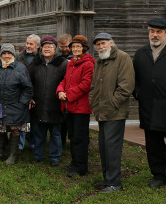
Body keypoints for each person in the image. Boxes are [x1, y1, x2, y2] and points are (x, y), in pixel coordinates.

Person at [133, 17, 166, 189]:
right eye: (151, 31)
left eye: (158, 32)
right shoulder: (141, 53)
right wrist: (138, 93)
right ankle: (159, 176)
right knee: (153, 145)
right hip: (148, 107)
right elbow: (134, 79)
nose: (154, 35)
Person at [90, 32, 135, 194]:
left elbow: (126, 86)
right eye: (98, 44)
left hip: (115, 112)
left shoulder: (123, 58)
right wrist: (94, 103)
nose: (101, 46)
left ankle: (115, 183)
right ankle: (108, 179)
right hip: (102, 112)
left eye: (104, 43)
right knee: (104, 148)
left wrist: (113, 103)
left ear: (111, 43)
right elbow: (95, 86)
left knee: (113, 148)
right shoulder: (100, 61)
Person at [0, 44, 33, 165]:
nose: (6, 56)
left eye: (9, 53)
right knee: (0, 128)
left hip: (16, 105)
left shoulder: (20, 68)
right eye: (4, 53)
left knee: (15, 129)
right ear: (1, 55)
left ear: (13, 55)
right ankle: (0, 152)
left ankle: (12, 155)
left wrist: (22, 103)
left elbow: (28, 89)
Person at [56, 34, 95, 177]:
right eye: (74, 46)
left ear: (84, 48)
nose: (76, 49)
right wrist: (60, 90)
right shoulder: (71, 62)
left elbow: (86, 85)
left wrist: (68, 95)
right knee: (72, 136)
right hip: (69, 107)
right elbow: (65, 80)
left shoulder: (88, 64)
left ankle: (81, 167)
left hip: (81, 108)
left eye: (78, 46)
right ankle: (74, 163)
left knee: (80, 138)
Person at [27, 36, 67, 167]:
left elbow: (66, 82)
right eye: (45, 47)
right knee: (39, 133)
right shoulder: (36, 62)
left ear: (55, 50)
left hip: (55, 104)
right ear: (41, 48)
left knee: (55, 134)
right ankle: (38, 155)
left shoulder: (62, 64)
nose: (47, 49)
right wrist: (30, 96)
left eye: (50, 47)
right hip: (39, 104)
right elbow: (29, 81)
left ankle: (55, 157)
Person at [16, 34, 40, 152]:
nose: (28, 46)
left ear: (37, 45)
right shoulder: (19, 57)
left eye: (31, 44)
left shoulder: (41, 57)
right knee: (22, 119)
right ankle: (20, 145)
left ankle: (33, 144)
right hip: (22, 93)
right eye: (27, 43)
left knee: (34, 122)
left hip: (37, 93)